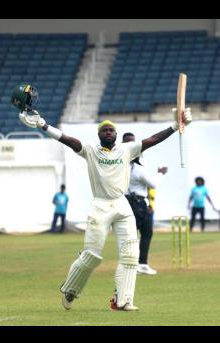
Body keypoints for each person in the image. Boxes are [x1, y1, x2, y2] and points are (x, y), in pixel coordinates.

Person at [16, 92, 192, 311]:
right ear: (99, 134)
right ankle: (70, 289)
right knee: (91, 256)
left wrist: (175, 127)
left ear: (116, 135)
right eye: (104, 130)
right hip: (100, 206)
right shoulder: (91, 150)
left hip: (121, 204)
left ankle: (123, 300)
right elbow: (68, 140)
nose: (108, 132)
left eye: (111, 130)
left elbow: (152, 140)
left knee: (130, 254)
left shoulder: (126, 150)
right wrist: (43, 125)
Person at [122, 132, 168, 276]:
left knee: (134, 235)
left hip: (128, 202)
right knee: (143, 233)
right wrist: (160, 173)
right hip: (137, 203)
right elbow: (153, 184)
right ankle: (139, 264)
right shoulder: (137, 167)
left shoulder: (121, 165)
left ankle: (136, 264)